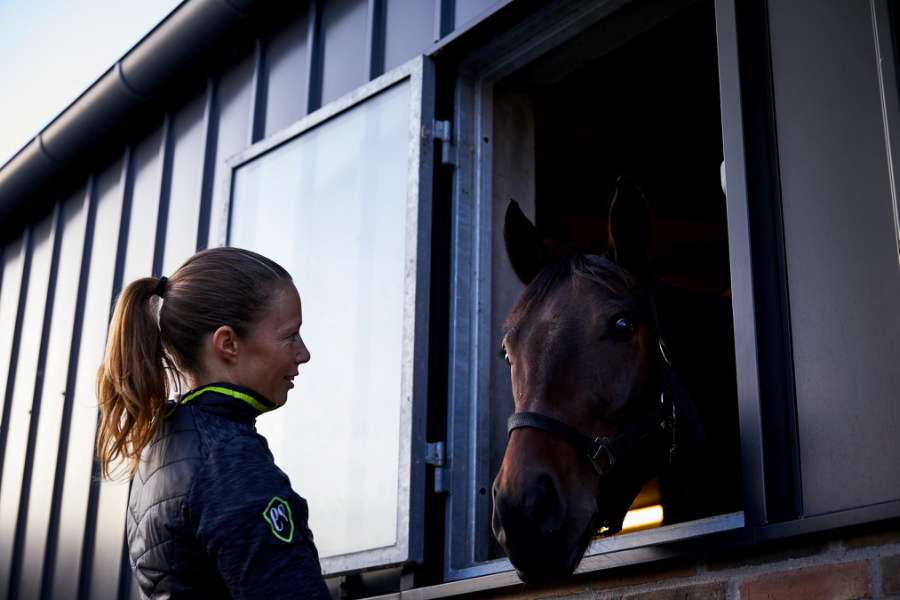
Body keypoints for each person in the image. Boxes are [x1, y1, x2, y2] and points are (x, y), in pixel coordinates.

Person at [96, 247, 330, 599]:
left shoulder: (162, 449)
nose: (303, 353)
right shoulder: (227, 457)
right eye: (290, 336)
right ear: (228, 344)